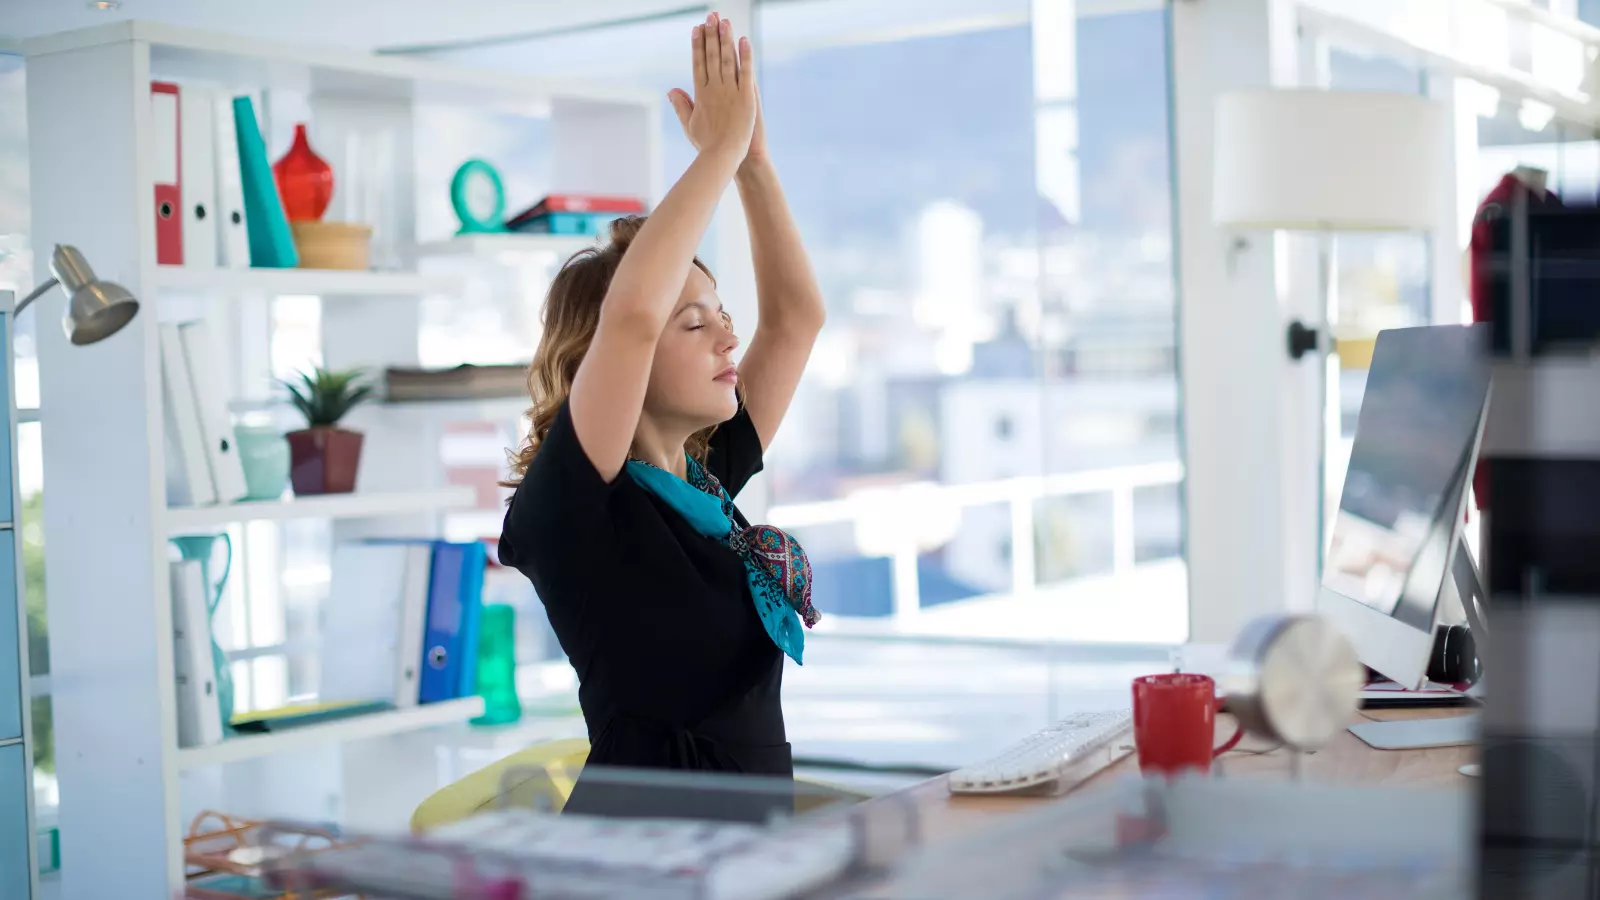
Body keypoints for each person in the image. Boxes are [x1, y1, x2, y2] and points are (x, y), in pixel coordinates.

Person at [496, 11, 826, 821]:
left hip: (743, 851)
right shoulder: (576, 508)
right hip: (641, 861)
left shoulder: (704, 481)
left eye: (718, 310)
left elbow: (796, 320)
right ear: (622, 361)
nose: (727, 333)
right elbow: (632, 316)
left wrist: (750, 162)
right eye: (695, 321)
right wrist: (713, 152)